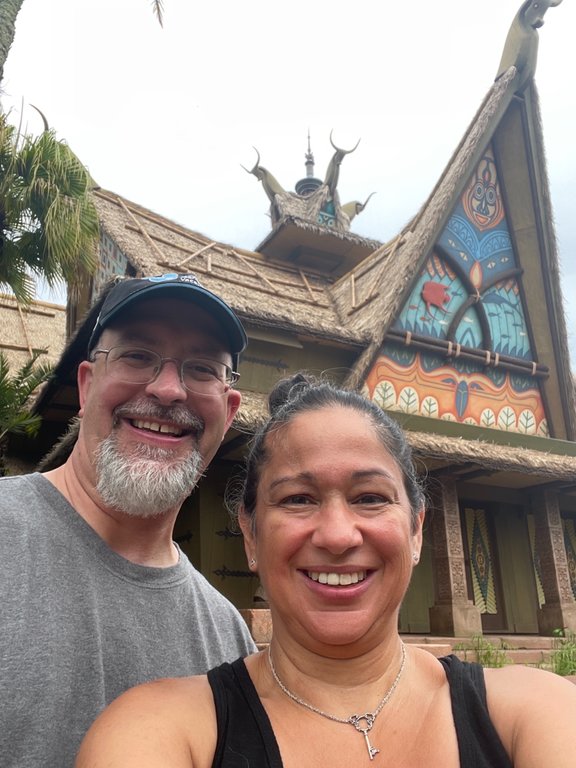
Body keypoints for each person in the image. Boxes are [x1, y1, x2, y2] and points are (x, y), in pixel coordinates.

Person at [75, 373, 576, 768]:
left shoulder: (534, 714)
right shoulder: (164, 730)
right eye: (298, 499)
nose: (338, 535)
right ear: (250, 535)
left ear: (417, 530)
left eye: (370, 498)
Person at [0, 273, 257, 768]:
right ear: (87, 384)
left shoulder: (228, 639)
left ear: (227, 411)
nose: (167, 390)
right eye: (137, 355)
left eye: (202, 367)